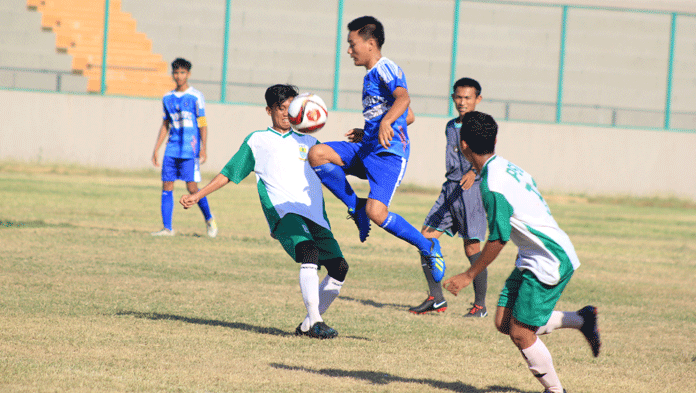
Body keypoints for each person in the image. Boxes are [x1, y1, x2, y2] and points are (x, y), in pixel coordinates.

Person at [443, 111, 601, 393]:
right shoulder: (504, 167)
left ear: (464, 145)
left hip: (549, 259)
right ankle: (582, 319)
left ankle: (556, 391)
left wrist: (469, 274)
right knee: (504, 321)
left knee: (521, 333)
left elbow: (499, 237)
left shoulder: (492, 185)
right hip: (534, 256)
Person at [180, 84, 349, 339]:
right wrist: (198, 194)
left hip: (315, 215)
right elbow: (230, 172)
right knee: (309, 252)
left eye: (290, 108)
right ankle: (315, 320)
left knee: (339, 268)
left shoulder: (311, 141)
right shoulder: (258, 140)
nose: (286, 114)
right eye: (281, 108)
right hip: (283, 212)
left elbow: (339, 169)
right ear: (269, 110)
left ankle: (307, 325)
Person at [307, 15, 446, 283]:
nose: (349, 51)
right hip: (368, 145)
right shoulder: (371, 74)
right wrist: (371, 129)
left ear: (370, 43)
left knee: (377, 213)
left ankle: (428, 246)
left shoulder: (386, 68)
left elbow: (404, 99)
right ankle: (354, 206)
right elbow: (410, 115)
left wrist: (385, 122)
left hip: (389, 155)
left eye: (352, 44)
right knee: (317, 154)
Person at [410, 78, 489, 316]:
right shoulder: (450, 125)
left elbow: (487, 156)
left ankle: (480, 306)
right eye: (458, 97)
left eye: (468, 98)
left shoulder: (482, 126)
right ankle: (436, 297)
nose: (462, 102)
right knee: (424, 238)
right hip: (449, 190)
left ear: (478, 100)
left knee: (472, 247)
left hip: (471, 191)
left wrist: (473, 172)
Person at [151, 57, 217, 237]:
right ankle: (167, 228)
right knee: (167, 185)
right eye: (176, 72)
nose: (179, 76)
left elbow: (202, 122)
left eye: (182, 72)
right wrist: (156, 148)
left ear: (188, 74)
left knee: (193, 189)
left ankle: (209, 219)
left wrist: (203, 148)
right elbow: (166, 124)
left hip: (190, 150)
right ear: (172, 74)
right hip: (171, 149)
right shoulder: (167, 98)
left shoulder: (196, 96)